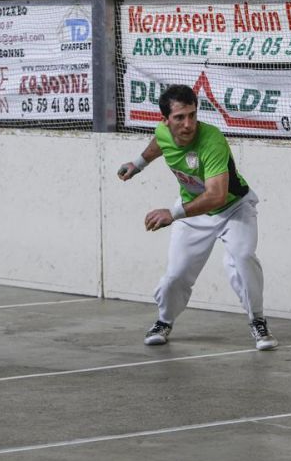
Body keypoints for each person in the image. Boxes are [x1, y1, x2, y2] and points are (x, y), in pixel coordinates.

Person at [118, 85, 278, 351]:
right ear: (166, 120)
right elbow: (159, 143)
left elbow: (216, 196)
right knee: (175, 275)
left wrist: (173, 214)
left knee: (242, 257)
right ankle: (164, 321)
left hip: (233, 208)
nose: (188, 124)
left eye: (192, 115)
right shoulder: (163, 132)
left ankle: (257, 320)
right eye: (179, 118)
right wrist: (137, 164)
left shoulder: (212, 140)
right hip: (194, 211)